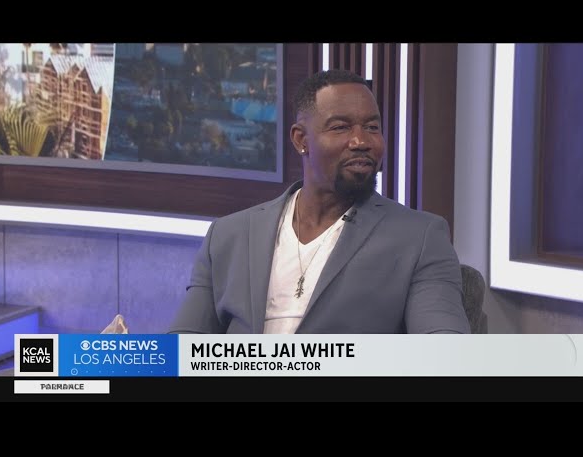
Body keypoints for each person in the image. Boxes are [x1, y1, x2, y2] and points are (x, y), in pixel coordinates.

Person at [169, 69, 470, 334]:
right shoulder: (228, 235)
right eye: (340, 127)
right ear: (301, 140)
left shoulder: (419, 238)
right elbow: (180, 348)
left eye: (372, 127)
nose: (361, 141)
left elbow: (444, 350)